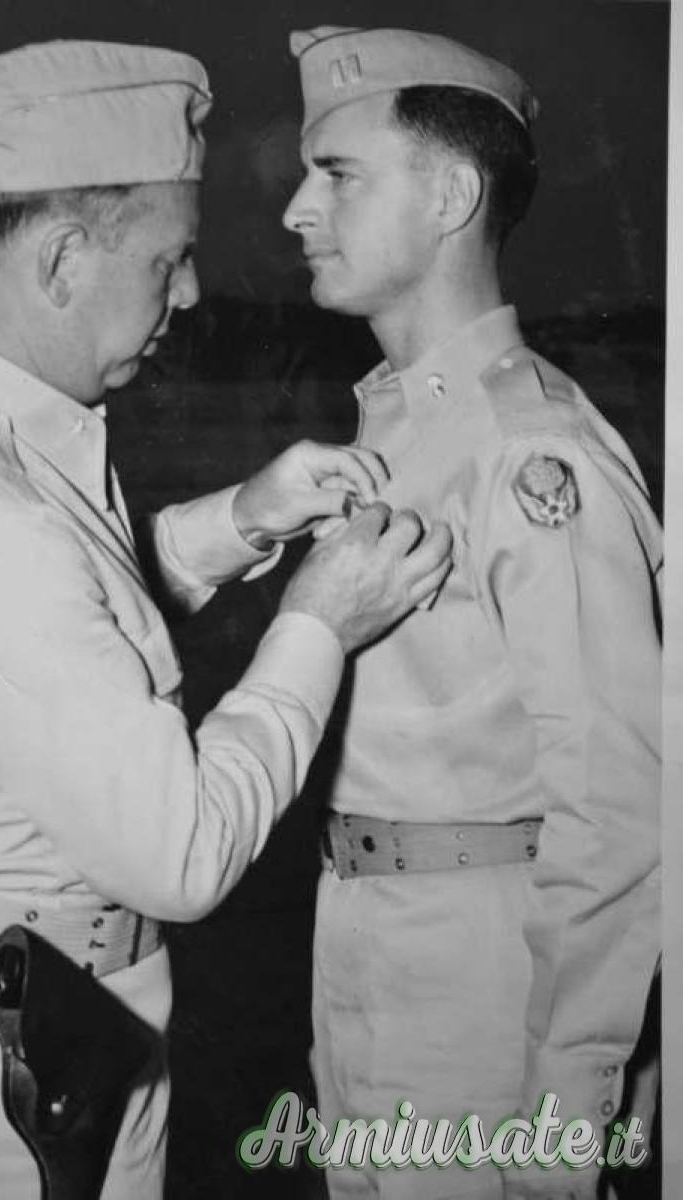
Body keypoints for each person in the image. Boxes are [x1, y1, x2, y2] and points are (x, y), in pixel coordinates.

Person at [0, 39, 453, 1200]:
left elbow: (54, 636)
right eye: (168, 258)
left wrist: (242, 520)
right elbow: (181, 855)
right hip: (3, 1102)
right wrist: (318, 624)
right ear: (61, 260)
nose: (189, 294)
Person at [282, 26, 662, 1200]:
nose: (297, 210)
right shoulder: (402, 428)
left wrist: (566, 1112)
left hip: (490, 988)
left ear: (450, 196)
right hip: (364, 949)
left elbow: (618, 808)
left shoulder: (530, 452)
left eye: (336, 174)